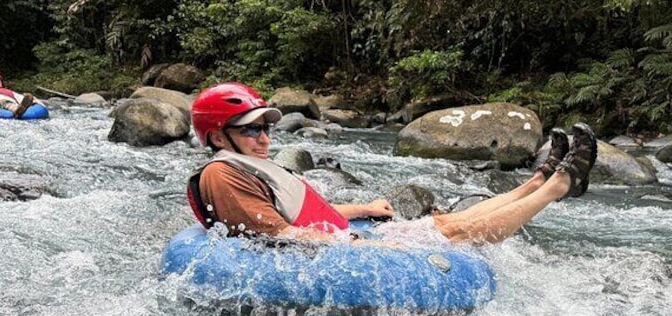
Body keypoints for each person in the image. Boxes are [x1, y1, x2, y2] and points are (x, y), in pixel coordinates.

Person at [188, 82, 597, 246]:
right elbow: (278, 235)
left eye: (266, 129)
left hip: (339, 239)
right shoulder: (222, 174)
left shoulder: (243, 167)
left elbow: (305, 214)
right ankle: (559, 186)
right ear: (218, 136)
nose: (263, 138)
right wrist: (357, 244)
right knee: (457, 231)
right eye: (250, 130)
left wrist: (364, 210)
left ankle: (536, 182)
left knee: (445, 222)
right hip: (337, 254)